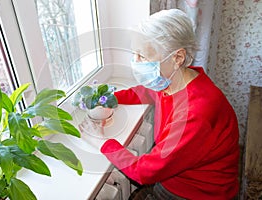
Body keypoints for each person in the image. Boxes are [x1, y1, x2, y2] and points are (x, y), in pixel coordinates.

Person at [82, 9, 240, 199]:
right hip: (175, 177)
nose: (135, 62)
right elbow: (147, 92)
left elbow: (144, 172)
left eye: (143, 56)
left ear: (177, 58)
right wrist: (110, 98)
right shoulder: (173, 80)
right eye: (134, 54)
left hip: (197, 193)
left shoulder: (195, 112)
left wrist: (102, 142)